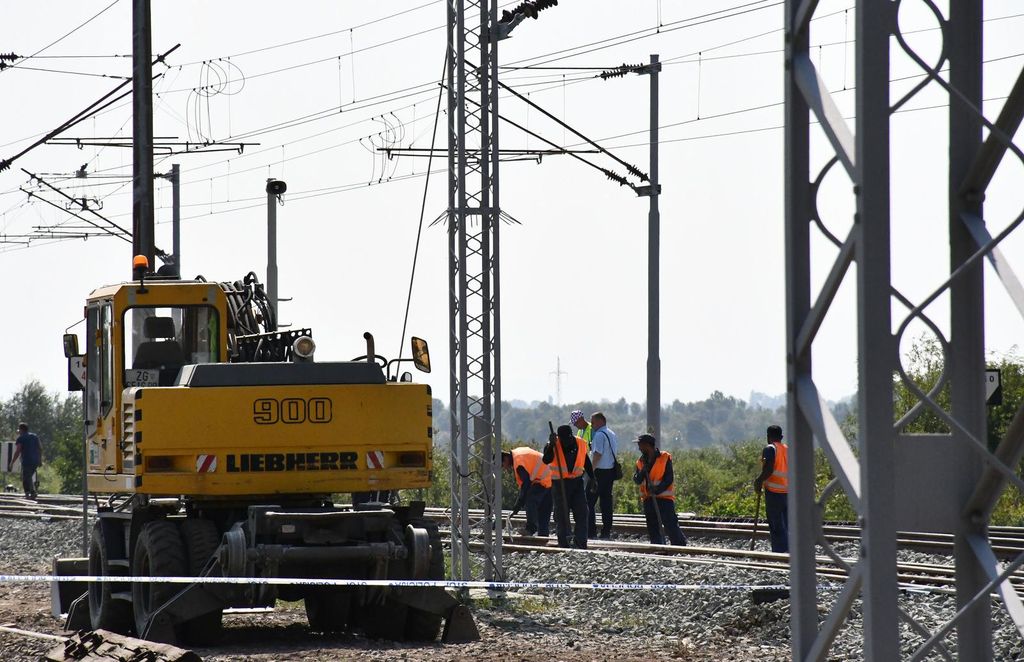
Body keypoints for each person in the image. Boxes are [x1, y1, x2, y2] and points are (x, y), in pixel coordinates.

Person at [542, 424, 595, 549]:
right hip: (559, 485)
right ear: (559, 438)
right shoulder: (553, 444)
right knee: (561, 514)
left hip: (577, 483)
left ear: (571, 436)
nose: (565, 442)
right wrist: (551, 446)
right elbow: (546, 460)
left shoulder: (580, 444)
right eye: (563, 440)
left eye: (567, 439)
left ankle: (581, 542)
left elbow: (586, 461)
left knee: (582, 511)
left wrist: (593, 478)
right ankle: (564, 542)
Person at [633, 434, 687, 546]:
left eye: (640, 445)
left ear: (648, 445)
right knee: (652, 526)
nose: (639, 448)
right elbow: (637, 479)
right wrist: (643, 470)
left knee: (670, 523)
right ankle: (657, 546)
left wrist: (657, 489)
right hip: (648, 499)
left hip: (664, 498)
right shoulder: (640, 462)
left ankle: (679, 545)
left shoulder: (665, 457)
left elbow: (669, 478)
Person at [501, 448, 552, 537]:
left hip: (542, 479)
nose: (504, 468)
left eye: (502, 465)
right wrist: (520, 502)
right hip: (551, 478)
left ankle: (530, 529)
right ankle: (543, 537)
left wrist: (519, 502)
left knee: (530, 500)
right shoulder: (518, 454)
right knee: (544, 510)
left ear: (505, 458)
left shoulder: (518, 463)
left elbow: (526, 483)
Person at [754, 424, 789, 553]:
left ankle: (780, 552)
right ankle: (788, 550)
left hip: (774, 492)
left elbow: (769, 469)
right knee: (786, 525)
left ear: (768, 437)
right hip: (788, 492)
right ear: (781, 437)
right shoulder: (787, 449)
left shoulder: (770, 448)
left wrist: (758, 481)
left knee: (776, 525)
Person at [587, 412, 618, 539]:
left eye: (593, 422)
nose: (592, 425)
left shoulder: (599, 435)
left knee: (589, 501)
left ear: (600, 422)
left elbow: (597, 454)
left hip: (599, 472)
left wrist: (591, 471)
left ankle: (591, 531)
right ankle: (606, 531)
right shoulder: (612, 433)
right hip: (610, 472)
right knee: (606, 502)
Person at [9, 423, 41, 500]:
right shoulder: (34, 436)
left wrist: (12, 462)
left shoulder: (21, 438)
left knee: (27, 476)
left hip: (27, 460)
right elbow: (40, 448)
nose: (18, 431)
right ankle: (29, 492)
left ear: (21, 430)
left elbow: (18, 451)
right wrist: (40, 460)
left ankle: (31, 492)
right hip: (35, 460)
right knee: (27, 476)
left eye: (19, 430)